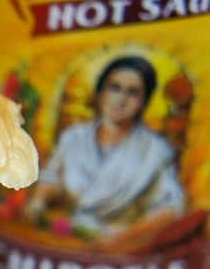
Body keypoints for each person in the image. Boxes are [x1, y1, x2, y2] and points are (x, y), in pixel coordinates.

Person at [26, 55, 186, 237]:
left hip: (121, 249)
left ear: (143, 102)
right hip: (71, 235)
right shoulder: (74, 138)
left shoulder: (155, 151)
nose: (121, 99)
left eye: (132, 92)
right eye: (114, 88)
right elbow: (52, 179)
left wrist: (124, 240)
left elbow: (171, 208)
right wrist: (37, 203)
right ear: (101, 93)